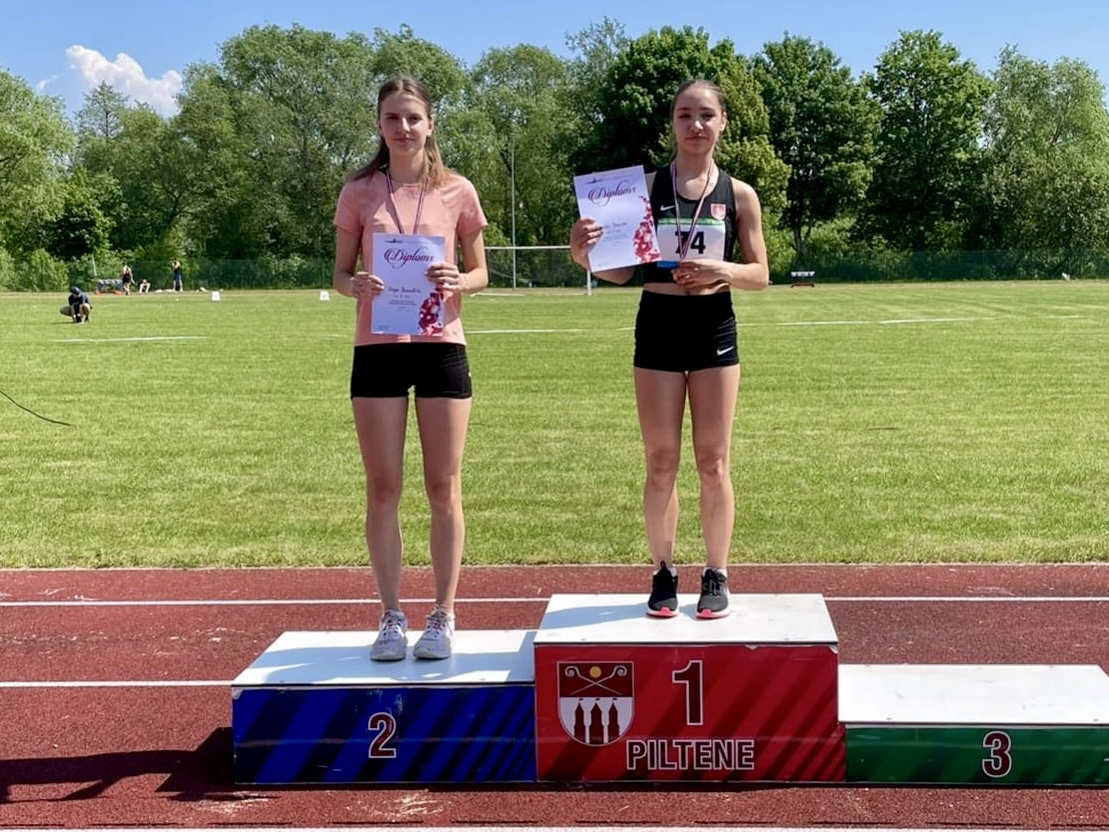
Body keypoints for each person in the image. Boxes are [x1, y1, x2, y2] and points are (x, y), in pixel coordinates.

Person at [569, 79, 770, 619]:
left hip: (713, 325)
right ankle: (662, 570)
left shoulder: (739, 194)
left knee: (714, 460)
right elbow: (619, 272)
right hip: (658, 323)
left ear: (723, 122)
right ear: (672, 123)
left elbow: (760, 274)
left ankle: (716, 572)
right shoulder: (641, 190)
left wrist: (720, 270)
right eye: (684, 115)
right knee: (661, 461)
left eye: (705, 115)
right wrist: (583, 255)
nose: (695, 125)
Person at [332, 75, 489, 661]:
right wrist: (356, 285)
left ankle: (443, 614)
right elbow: (339, 274)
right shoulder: (358, 192)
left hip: (441, 344)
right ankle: (391, 615)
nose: (404, 128)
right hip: (378, 347)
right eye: (393, 118)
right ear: (379, 124)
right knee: (383, 488)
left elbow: (481, 272)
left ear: (430, 123)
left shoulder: (457, 190)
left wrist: (460, 280)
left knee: (443, 486)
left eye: (413, 118)